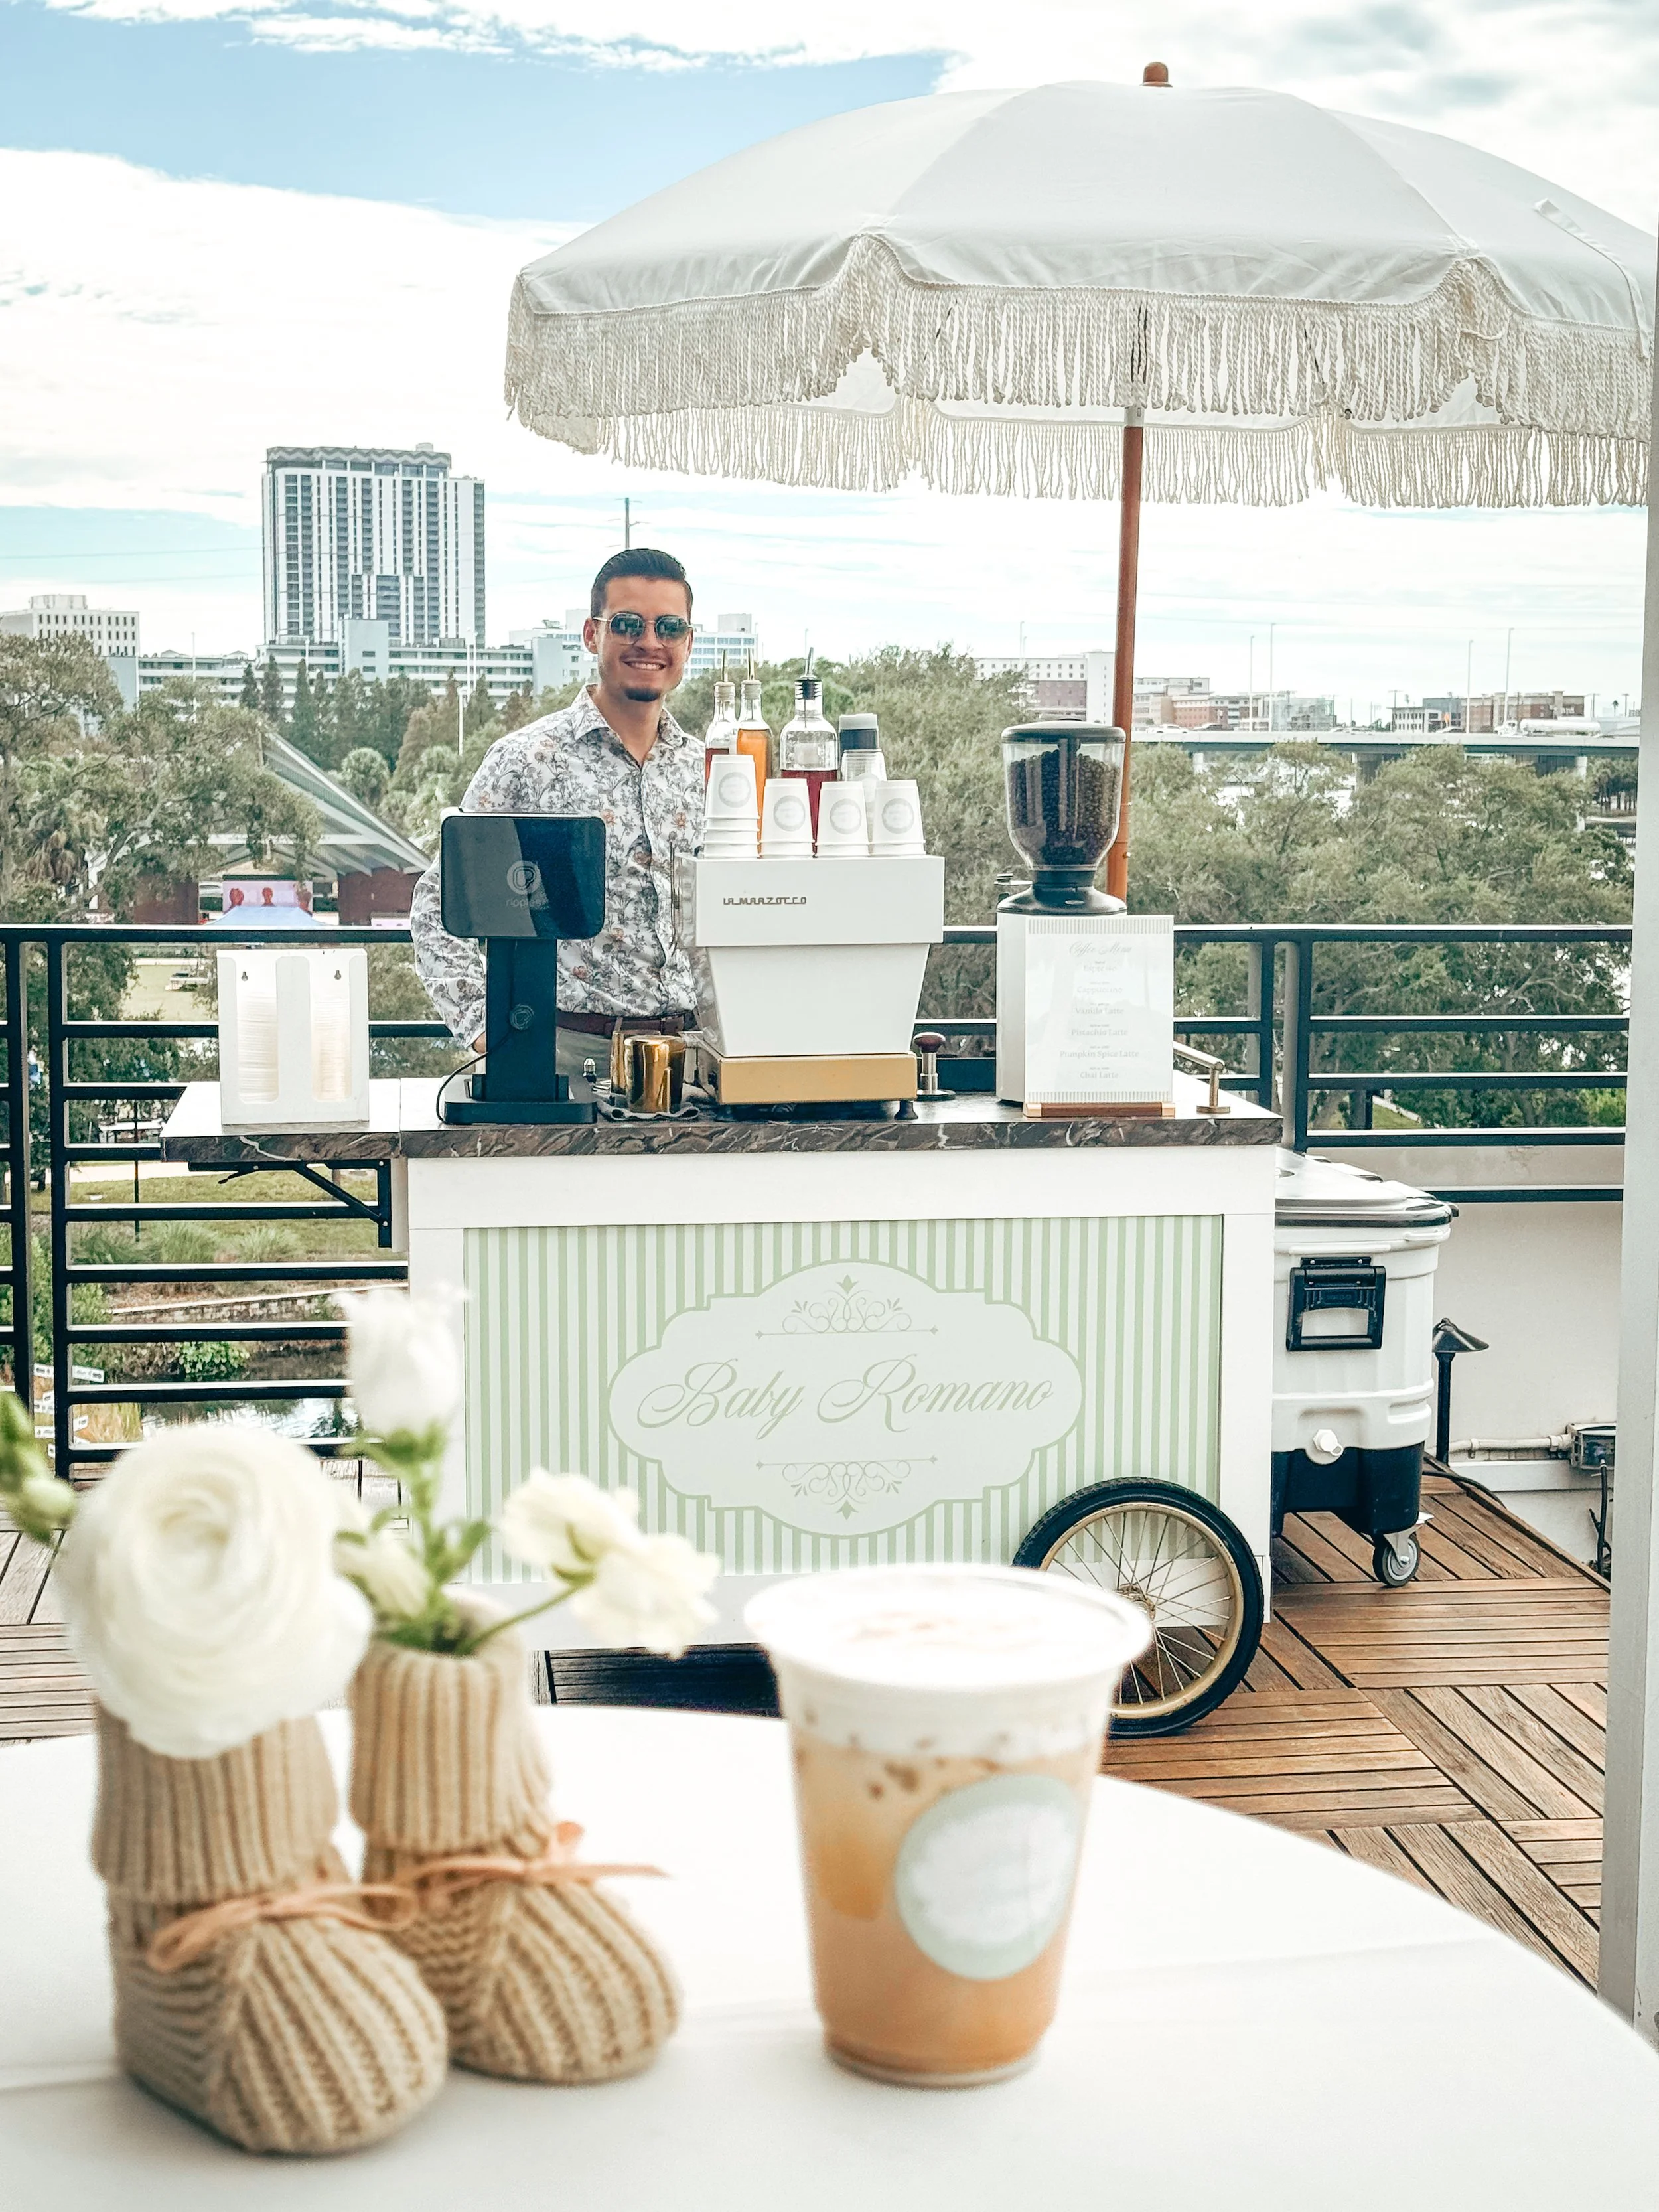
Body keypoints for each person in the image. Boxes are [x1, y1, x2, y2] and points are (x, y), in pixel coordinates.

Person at [410, 547, 703, 1094]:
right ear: (592, 635)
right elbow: (436, 903)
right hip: (565, 1058)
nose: (649, 642)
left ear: (689, 642)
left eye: (668, 626)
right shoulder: (527, 760)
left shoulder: (708, 770)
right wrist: (484, 1028)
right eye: (627, 624)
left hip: (696, 1060)